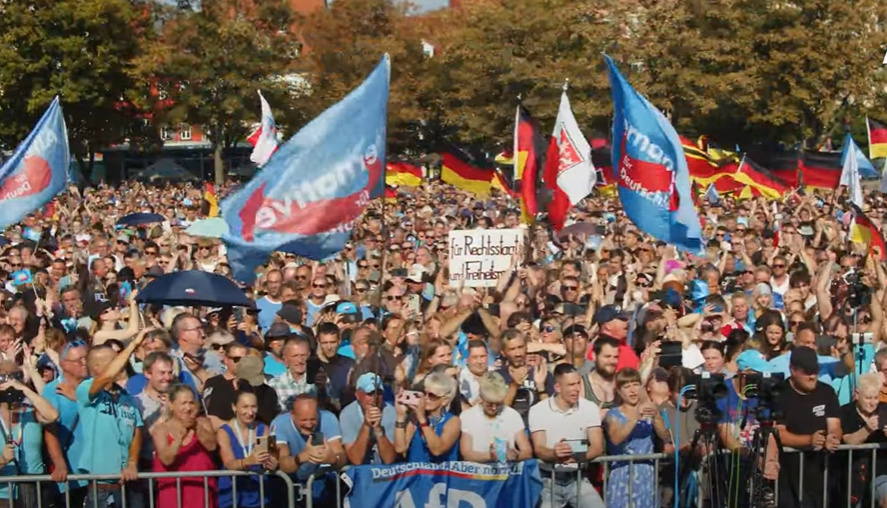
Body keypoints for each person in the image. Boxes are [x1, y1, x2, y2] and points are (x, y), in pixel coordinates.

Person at [76, 341, 146, 508]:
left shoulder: (126, 396)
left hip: (129, 484)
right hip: (102, 489)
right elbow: (105, 378)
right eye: (113, 360)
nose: (120, 363)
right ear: (97, 368)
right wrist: (134, 343)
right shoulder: (85, 388)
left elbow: (137, 430)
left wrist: (132, 462)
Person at [529, 364, 605, 508]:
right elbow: (539, 448)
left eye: (578, 383)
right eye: (571, 385)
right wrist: (555, 453)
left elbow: (597, 447)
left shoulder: (589, 408)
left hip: (578, 478)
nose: (576, 388)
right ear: (557, 387)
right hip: (548, 481)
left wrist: (576, 457)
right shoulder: (538, 410)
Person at [775, 347, 842, 508]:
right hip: (788, 476)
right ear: (793, 370)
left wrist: (833, 437)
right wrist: (809, 440)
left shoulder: (827, 392)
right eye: (806, 371)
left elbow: (835, 425)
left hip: (822, 474)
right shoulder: (779, 394)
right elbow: (778, 433)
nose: (812, 376)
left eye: (815, 371)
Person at [604, 368, 669, 508]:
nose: (632, 390)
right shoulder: (613, 414)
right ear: (620, 391)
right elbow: (615, 439)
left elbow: (664, 436)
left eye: (635, 385)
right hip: (623, 473)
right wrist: (634, 418)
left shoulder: (650, 410)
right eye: (627, 387)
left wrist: (657, 417)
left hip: (646, 473)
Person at [151, 384, 218, 508]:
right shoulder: (161, 429)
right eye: (183, 403)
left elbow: (212, 446)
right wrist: (179, 438)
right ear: (171, 405)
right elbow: (166, 459)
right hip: (172, 492)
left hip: (201, 490)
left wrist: (196, 427)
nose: (188, 408)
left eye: (191, 403)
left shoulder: (203, 423)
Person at [275, 394, 345, 503]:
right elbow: (282, 464)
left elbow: (341, 455)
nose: (309, 424)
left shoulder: (329, 419)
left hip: (321, 482)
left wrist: (333, 458)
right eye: (303, 420)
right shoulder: (280, 423)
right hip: (291, 483)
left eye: (313, 419)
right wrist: (302, 457)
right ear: (292, 415)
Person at [217, 385, 278, 508]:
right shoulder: (224, 432)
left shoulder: (263, 429)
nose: (250, 412)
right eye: (245, 407)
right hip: (232, 497)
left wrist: (272, 463)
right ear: (234, 407)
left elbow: (272, 457)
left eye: (253, 407)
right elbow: (229, 463)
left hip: (258, 495)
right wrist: (248, 461)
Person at [459, 372, 531, 463]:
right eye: (489, 404)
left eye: (498, 404)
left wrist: (515, 455)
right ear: (481, 397)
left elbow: (527, 451)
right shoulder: (468, 416)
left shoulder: (513, 415)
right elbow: (466, 454)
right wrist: (492, 456)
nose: (494, 408)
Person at [394, 371, 460, 463]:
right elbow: (400, 449)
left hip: (441, 475)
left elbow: (437, 450)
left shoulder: (453, 421)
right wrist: (400, 416)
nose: (426, 398)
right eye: (424, 393)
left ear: (444, 401)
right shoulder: (415, 418)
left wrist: (422, 420)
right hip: (416, 474)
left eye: (432, 395)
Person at [340, 373, 397, 465]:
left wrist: (378, 429)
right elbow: (356, 460)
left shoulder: (391, 412)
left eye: (379, 393)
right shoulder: (347, 414)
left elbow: (389, 459)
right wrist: (366, 425)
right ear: (358, 395)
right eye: (370, 394)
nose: (375, 398)